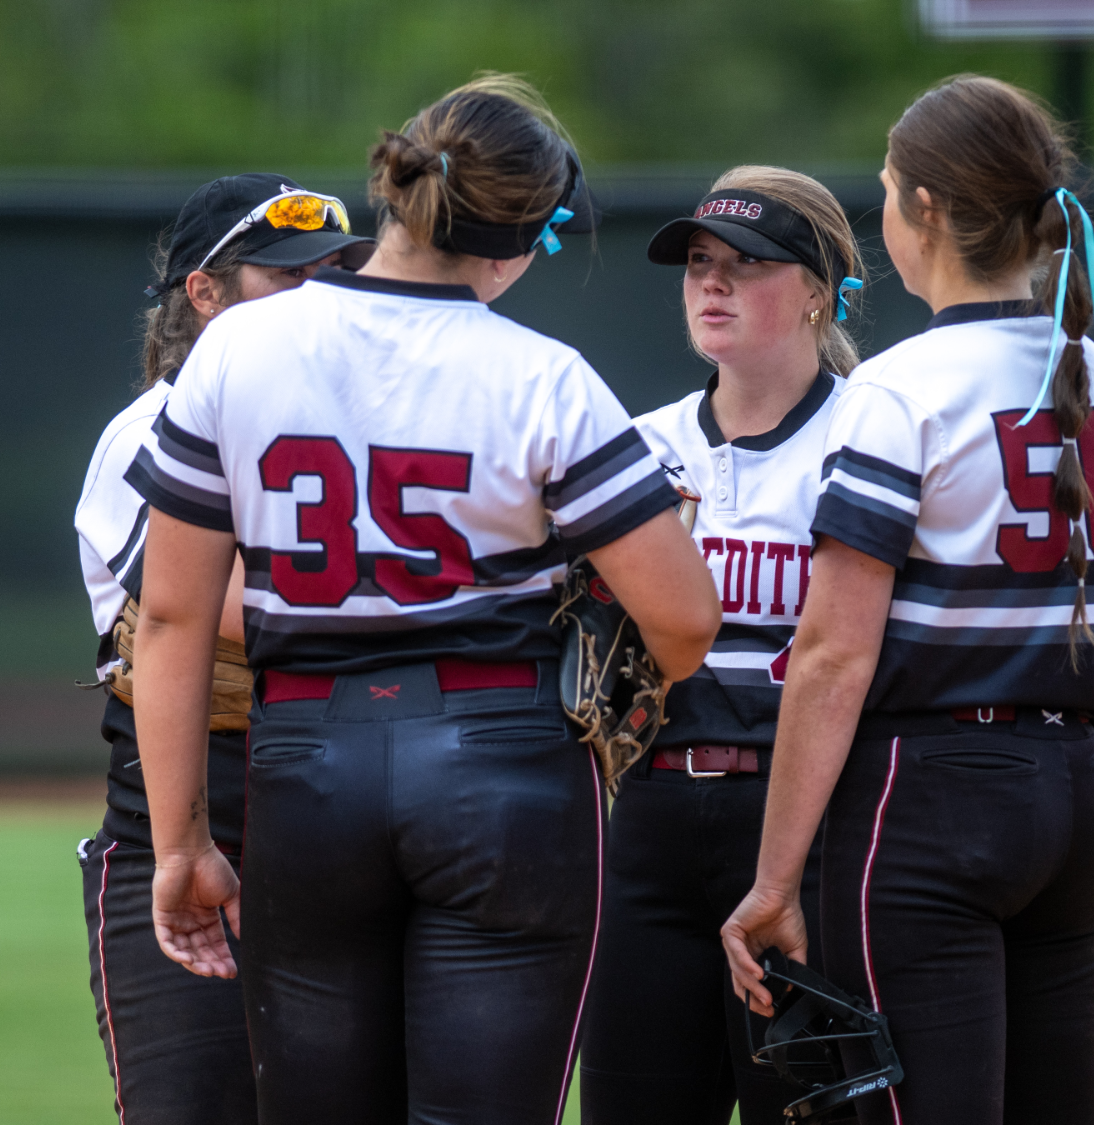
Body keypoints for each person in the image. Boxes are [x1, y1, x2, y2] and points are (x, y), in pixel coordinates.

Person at [124, 75, 721, 1125]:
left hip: (303, 761)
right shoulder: (544, 375)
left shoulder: (236, 346)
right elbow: (681, 620)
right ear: (523, 234)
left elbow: (170, 616)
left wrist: (180, 845)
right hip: (504, 765)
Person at [721, 74, 1094, 1125]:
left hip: (925, 801)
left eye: (883, 188)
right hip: (1074, 790)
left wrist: (772, 882)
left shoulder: (898, 389)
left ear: (922, 209)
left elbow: (830, 655)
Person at [72, 172, 374, 1125]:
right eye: (288, 274)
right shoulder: (145, 434)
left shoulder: (365, 428)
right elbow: (237, 609)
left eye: (337, 270)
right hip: (205, 800)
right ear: (203, 292)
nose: (320, 295)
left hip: (359, 800)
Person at [578, 165, 864, 1125]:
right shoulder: (638, 446)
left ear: (818, 290)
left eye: (747, 265)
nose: (713, 284)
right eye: (700, 263)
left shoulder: (871, 438)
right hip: (651, 824)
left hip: (808, 827)